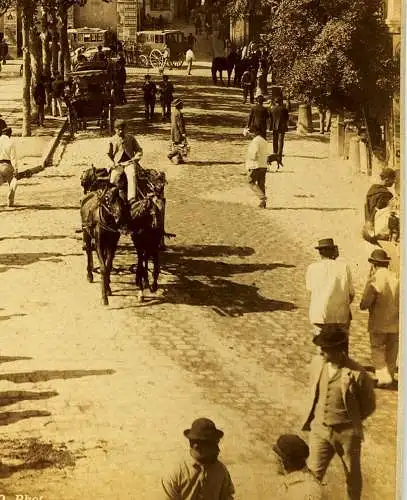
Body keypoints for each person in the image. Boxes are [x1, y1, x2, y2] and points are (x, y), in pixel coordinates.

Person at [302, 326, 376, 500]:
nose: (321, 351)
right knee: (312, 474)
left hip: (347, 434)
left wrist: (350, 421)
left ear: (338, 349)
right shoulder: (317, 364)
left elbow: (369, 405)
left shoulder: (357, 373)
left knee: (352, 475)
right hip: (320, 429)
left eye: (325, 348)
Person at [162, 418, 235, 499]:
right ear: (195, 446)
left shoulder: (221, 471)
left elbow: (227, 497)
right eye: (211, 445)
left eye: (216, 443)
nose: (218, 450)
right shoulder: (176, 472)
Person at [360, 249, 399, 388]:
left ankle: (383, 378)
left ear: (374, 265)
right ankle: (390, 375)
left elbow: (364, 304)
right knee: (392, 350)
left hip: (379, 322)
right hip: (396, 322)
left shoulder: (375, 279)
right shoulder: (396, 277)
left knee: (377, 348)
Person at [306, 238, 354, 347]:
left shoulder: (312, 268)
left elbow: (310, 291)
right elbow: (351, 294)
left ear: (320, 252)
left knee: (322, 349)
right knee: (341, 347)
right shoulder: (344, 267)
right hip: (340, 316)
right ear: (333, 251)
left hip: (319, 315)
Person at [273, 434, 322, 500]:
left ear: (282, 462)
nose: (275, 461)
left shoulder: (309, 490)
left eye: (277, 458)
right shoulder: (293, 480)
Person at [107, 119, 143, 203]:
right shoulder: (112, 140)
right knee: (113, 179)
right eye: (118, 129)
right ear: (115, 129)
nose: (121, 131)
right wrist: (111, 163)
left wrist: (136, 158)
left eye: (122, 129)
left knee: (132, 174)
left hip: (129, 163)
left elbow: (139, 150)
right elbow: (107, 154)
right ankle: (112, 198)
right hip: (117, 164)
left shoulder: (131, 138)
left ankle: (131, 198)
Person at [363, 167, 396, 240]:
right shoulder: (386, 194)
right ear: (387, 180)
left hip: (368, 225)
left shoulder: (372, 189)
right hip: (376, 229)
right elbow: (380, 212)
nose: (394, 182)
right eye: (393, 179)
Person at [246, 125, 274, 209]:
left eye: (250, 132)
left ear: (254, 133)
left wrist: (249, 160)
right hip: (263, 165)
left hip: (255, 165)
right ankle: (263, 203)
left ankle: (262, 197)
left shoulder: (255, 141)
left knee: (250, 181)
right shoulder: (264, 141)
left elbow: (253, 154)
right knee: (261, 184)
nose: (250, 134)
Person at [0, 127, 18, 207]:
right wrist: (15, 168)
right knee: (13, 182)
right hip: (7, 165)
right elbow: (13, 157)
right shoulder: (10, 142)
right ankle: (10, 199)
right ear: (9, 134)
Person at [270, 97, 289, 166]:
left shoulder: (272, 109)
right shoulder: (284, 109)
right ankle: (279, 154)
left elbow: (271, 118)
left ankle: (275, 152)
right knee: (281, 141)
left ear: (275, 102)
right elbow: (287, 118)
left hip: (274, 126)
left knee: (275, 139)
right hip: (282, 126)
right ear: (281, 102)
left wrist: (270, 126)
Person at [168, 98, 187, 164]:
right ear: (178, 105)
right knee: (179, 146)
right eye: (181, 104)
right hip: (178, 132)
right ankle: (170, 155)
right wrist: (183, 133)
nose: (182, 105)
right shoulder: (178, 113)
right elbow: (180, 124)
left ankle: (180, 159)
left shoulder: (174, 112)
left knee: (178, 145)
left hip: (174, 131)